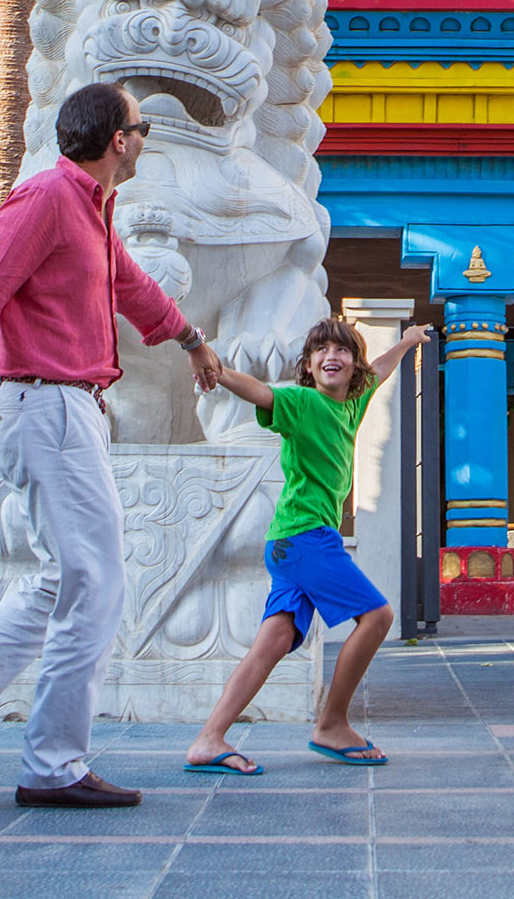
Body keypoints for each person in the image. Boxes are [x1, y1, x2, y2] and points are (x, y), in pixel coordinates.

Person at [0, 81, 223, 810]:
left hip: (63, 407)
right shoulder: (45, 199)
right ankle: (53, 764)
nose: (144, 138)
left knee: (63, 579)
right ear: (117, 139)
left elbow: (131, 288)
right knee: (95, 581)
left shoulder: (90, 212)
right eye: (141, 127)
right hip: (45, 402)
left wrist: (192, 341)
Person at [183, 316, 429, 775]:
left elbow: (382, 366)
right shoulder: (301, 402)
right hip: (304, 537)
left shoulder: (353, 406)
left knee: (273, 640)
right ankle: (332, 725)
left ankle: (208, 739)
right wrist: (219, 372)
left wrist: (409, 341)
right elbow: (261, 392)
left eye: (341, 351)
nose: (331, 356)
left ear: (353, 367)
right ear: (309, 366)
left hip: (288, 543)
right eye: (320, 351)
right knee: (378, 616)